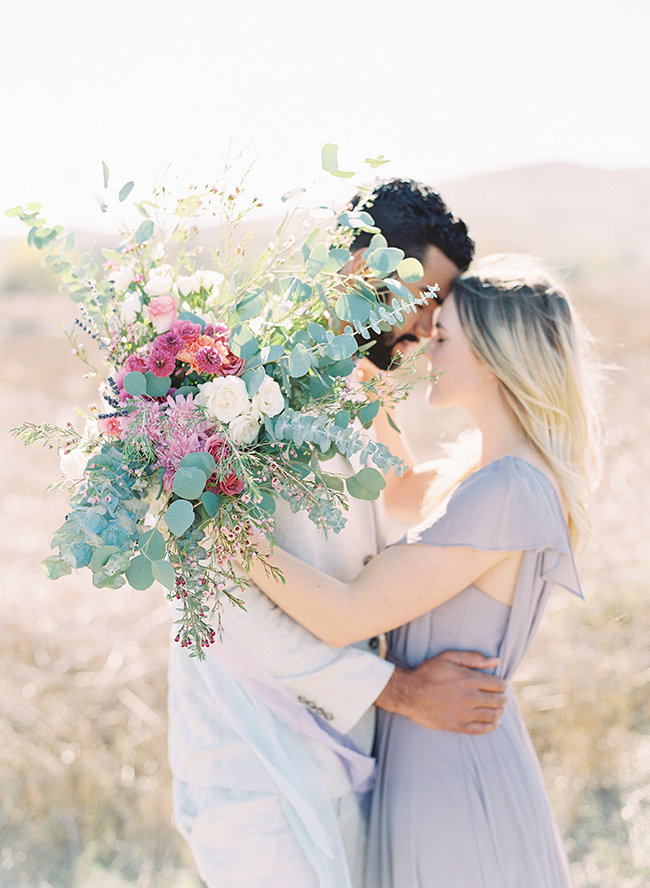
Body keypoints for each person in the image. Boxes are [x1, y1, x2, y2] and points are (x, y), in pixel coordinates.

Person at [167, 179, 509, 888]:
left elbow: (402, 498)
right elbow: (222, 594)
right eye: (424, 300)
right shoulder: (228, 377)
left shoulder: (362, 384)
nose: (425, 330)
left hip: (346, 742)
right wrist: (401, 692)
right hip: (252, 750)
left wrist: (515, 443)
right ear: (362, 271)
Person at [241, 254, 601, 887]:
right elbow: (398, 487)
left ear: (489, 356)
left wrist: (222, 533)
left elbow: (345, 614)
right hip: (432, 755)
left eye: (443, 338)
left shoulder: (510, 487)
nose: (426, 352)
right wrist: (367, 363)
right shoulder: (488, 469)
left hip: (452, 773)